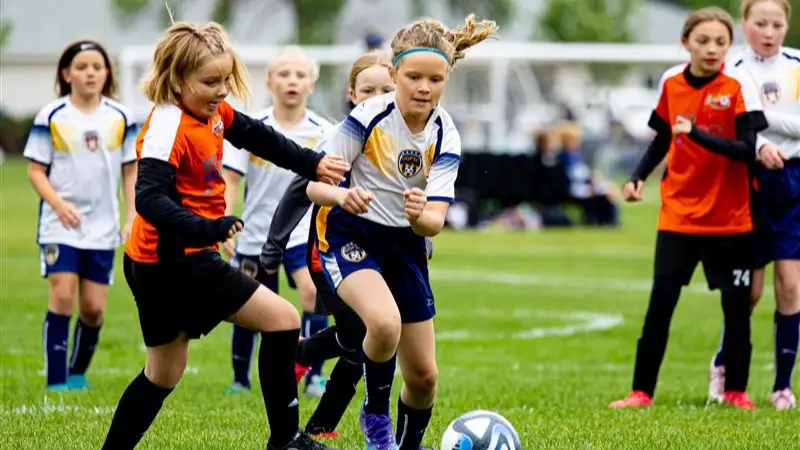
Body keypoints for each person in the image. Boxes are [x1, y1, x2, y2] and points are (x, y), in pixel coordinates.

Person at [99, 21, 348, 450]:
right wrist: (207, 227)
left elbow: (255, 134)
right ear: (178, 79)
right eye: (211, 82)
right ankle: (286, 440)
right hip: (170, 261)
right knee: (283, 320)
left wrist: (311, 163)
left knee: (164, 373)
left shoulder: (211, 112)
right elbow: (149, 199)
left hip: (170, 258)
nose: (221, 91)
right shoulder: (168, 126)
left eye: (226, 80)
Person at [305, 15, 497, 450]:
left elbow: (435, 223)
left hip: (406, 244)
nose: (424, 87)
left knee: (425, 378)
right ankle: (376, 420)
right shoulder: (367, 117)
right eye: (413, 77)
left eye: (435, 79)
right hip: (351, 233)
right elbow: (313, 183)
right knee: (384, 323)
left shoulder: (446, 133)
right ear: (394, 75)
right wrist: (340, 197)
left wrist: (417, 215)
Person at [609, 7, 769, 410]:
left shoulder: (739, 85)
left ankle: (735, 391)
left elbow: (748, 150)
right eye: (703, 41)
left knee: (736, 310)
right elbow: (662, 138)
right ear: (686, 44)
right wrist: (637, 176)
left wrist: (696, 134)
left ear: (729, 46)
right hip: (678, 214)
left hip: (730, 219)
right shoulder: (670, 81)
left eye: (720, 42)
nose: (712, 49)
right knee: (660, 303)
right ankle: (641, 391)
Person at [262, 50, 425, 440]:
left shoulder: (405, 138)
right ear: (352, 94)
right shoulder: (340, 137)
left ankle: (306, 372)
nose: (377, 96)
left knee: (363, 339)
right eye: (367, 89)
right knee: (367, 334)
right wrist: (273, 247)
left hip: (382, 252)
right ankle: (321, 414)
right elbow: (299, 191)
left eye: (386, 88)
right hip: (328, 248)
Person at [23, 40, 137, 391]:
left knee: (93, 309)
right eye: (82, 66)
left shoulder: (121, 117)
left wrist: (132, 216)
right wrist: (58, 205)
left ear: (107, 74)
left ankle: (76, 373)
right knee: (61, 296)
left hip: (102, 227)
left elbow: (131, 170)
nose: (90, 73)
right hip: (59, 224)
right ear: (66, 73)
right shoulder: (52, 116)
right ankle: (56, 380)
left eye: (97, 67)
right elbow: (35, 171)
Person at [221, 46, 332, 397]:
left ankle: (313, 374)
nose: (292, 81)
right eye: (284, 74)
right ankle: (240, 379)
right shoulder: (252, 129)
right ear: (270, 82)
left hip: (303, 231)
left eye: (300, 75)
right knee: (249, 302)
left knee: (313, 293)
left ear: (311, 84)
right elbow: (231, 179)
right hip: (255, 233)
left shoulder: (323, 131)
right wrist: (224, 221)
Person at [708, 0, 799, 410]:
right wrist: (759, 143)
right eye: (760, 23)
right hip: (753, 182)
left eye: (777, 24)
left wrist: (763, 119)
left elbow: (759, 118)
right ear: (745, 25)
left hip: (795, 181)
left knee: (792, 286)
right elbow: (741, 128)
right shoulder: (733, 72)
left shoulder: (797, 65)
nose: (769, 31)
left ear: (787, 25)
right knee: (750, 291)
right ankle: (724, 365)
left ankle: (782, 386)